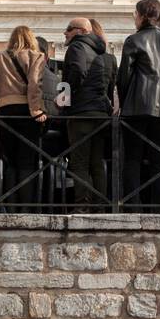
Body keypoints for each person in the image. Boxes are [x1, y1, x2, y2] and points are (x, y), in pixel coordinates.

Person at [116, 0, 160, 212]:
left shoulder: (133, 41)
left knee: (133, 159)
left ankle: (132, 209)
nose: (134, 18)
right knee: (158, 161)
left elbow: (123, 77)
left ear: (143, 15)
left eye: (135, 14)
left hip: (137, 108)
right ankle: (159, 210)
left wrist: (126, 103)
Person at [0, 25, 47, 211]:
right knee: (26, 161)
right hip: (26, 112)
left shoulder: (0, 56)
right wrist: (36, 110)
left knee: (10, 160)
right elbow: (35, 84)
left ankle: (9, 207)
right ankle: (25, 208)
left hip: (4, 111)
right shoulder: (37, 56)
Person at [60, 16, 115, 209]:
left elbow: (75, 73)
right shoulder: (106, 55)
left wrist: (63, 99)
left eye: (69, 28)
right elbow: (110, 89)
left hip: (81, 112)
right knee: (96, 161)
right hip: (101, 113)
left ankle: (82, 204)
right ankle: (100, 204)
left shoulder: (76, 47)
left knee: (80, 162)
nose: (65, 32)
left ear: (82, 31)